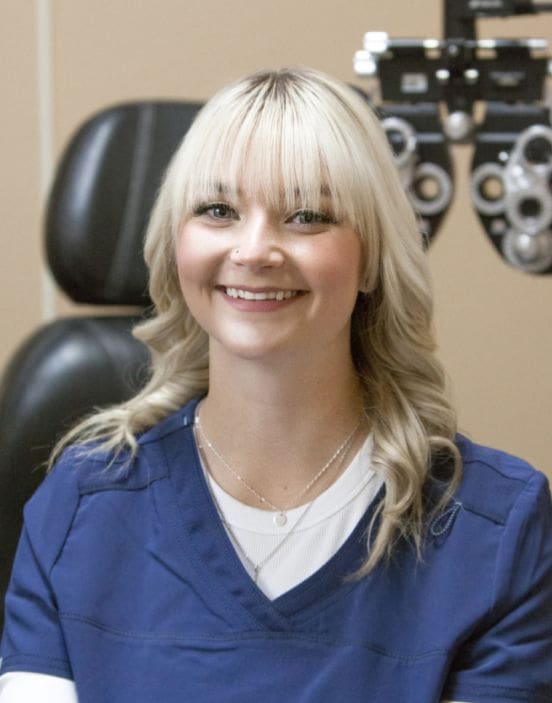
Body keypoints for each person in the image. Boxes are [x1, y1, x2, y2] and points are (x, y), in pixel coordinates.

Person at [0, 67, 551, 703]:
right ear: (177, 245)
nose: (255, 250)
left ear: (371, 258)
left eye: (307, 215)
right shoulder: (80, 507)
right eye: (217, 210)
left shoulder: (492, 529)